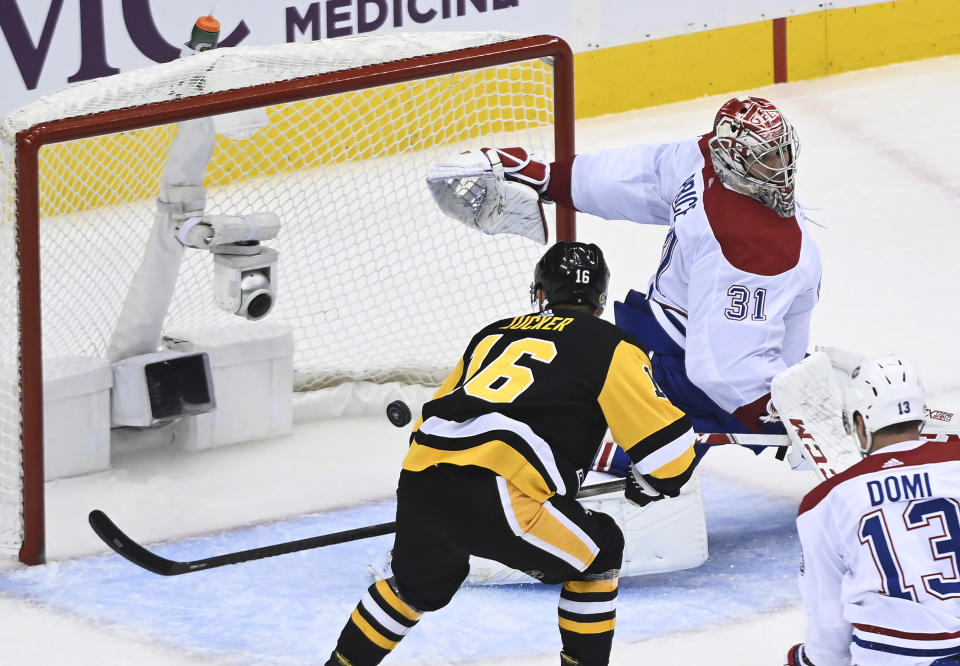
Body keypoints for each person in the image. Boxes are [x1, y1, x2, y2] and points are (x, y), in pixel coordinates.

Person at [323, 241, 697, 666]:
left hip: (421, 477)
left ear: (540, 295)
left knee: (416, 586)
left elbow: (428, 421)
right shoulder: (612, 345)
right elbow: (669, 455)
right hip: (500, 493)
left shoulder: (492, 334)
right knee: (602, 548)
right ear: (599, 300)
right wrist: (653, 481)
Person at [455, 96, 822, 439]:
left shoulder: (702, 159)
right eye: (766, 159)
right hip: (681, 367)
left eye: (782, 152)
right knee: (639, 434)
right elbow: (721, 369)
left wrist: (551, 179)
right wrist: (776, 416)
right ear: (730, 157)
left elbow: (644, 174)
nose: (781, 168)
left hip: (662, 328)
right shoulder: (754, 247)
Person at [786, 356, 960, 666]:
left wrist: (807, 660)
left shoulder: (824, 501)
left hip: (902, 656)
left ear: (861, 422)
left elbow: (828, 625)